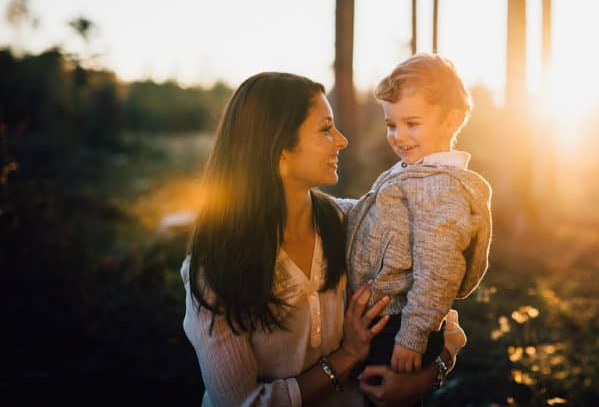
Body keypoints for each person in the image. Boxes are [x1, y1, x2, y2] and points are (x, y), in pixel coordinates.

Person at [181, 72, 464, 406]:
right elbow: (241, 402)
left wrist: (426, 378)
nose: (342, 140)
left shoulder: (354, 223)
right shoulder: (215, 267)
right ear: (279, 148)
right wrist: (346, 356)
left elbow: (443, 319)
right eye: (325, 129)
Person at [346, 54, 492, 376]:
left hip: (397, 328)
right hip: (381, 320)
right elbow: (374, 211)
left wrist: (412, 337)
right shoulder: (414, 171)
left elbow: (439, 268)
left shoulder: (440, 188)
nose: (398, 135)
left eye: (412, 124)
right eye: (391, 125)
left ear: (451, 121)